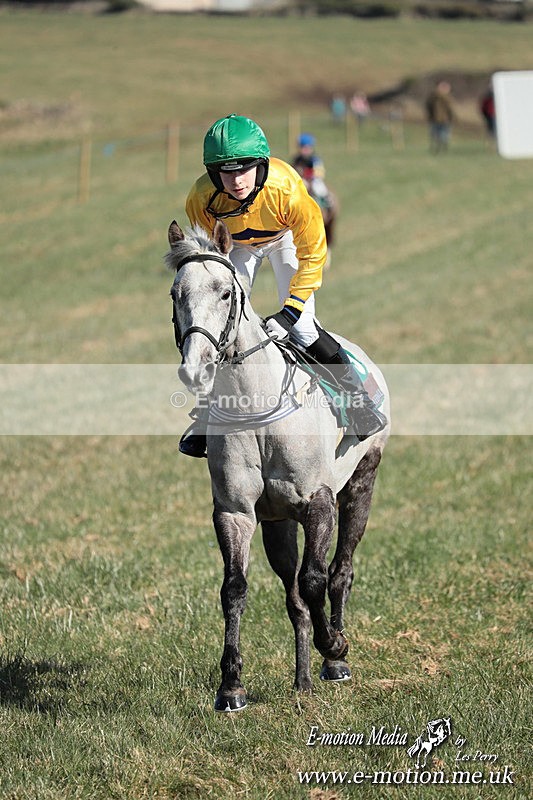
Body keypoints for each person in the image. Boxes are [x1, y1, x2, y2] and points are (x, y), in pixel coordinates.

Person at [179, 114, 386, 458]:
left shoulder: (286, 189)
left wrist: (290, 312)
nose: (236, 181)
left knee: (303, 329)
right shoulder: (201, 199)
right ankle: (207, 414)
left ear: (260, 165)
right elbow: (211, 260)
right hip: (238, 246)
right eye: (225, 172)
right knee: (222, 326)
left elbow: (313, 255)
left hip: (284, 238)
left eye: (245, 169)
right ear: (213, 173)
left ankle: (359, 402)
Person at [425, 81, 455, 153]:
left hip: (444, 119)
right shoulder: (434, 97)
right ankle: (438, 148)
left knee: (443, 135)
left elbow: (451, 109)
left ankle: (442, 148)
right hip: (437, 119)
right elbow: (428, 106)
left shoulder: (446, 97)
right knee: (436, 135)